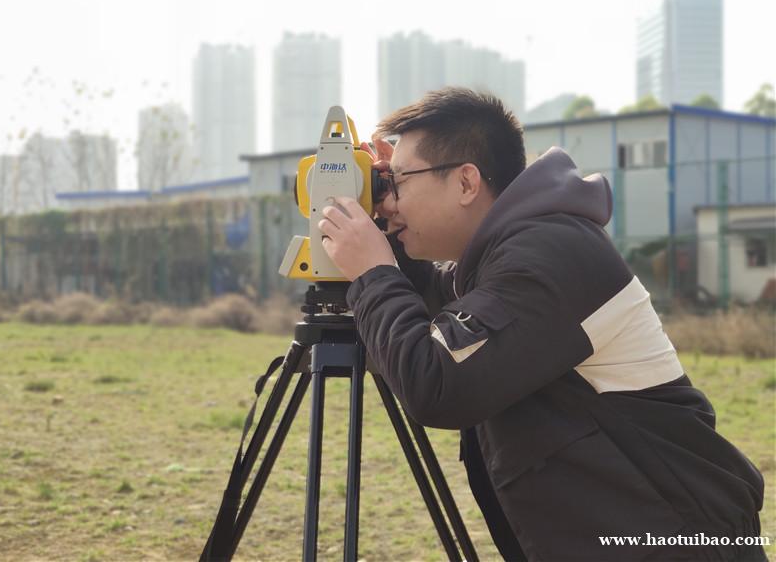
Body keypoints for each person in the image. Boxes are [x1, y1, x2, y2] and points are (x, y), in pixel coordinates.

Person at [317, 87, 766, 561]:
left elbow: (436, 382)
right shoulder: (514, 253)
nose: (390, 201)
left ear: (467, 182)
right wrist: (380, 230)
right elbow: (433, 306)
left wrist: (372, 271)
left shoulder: (548, 256)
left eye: (399, 182)